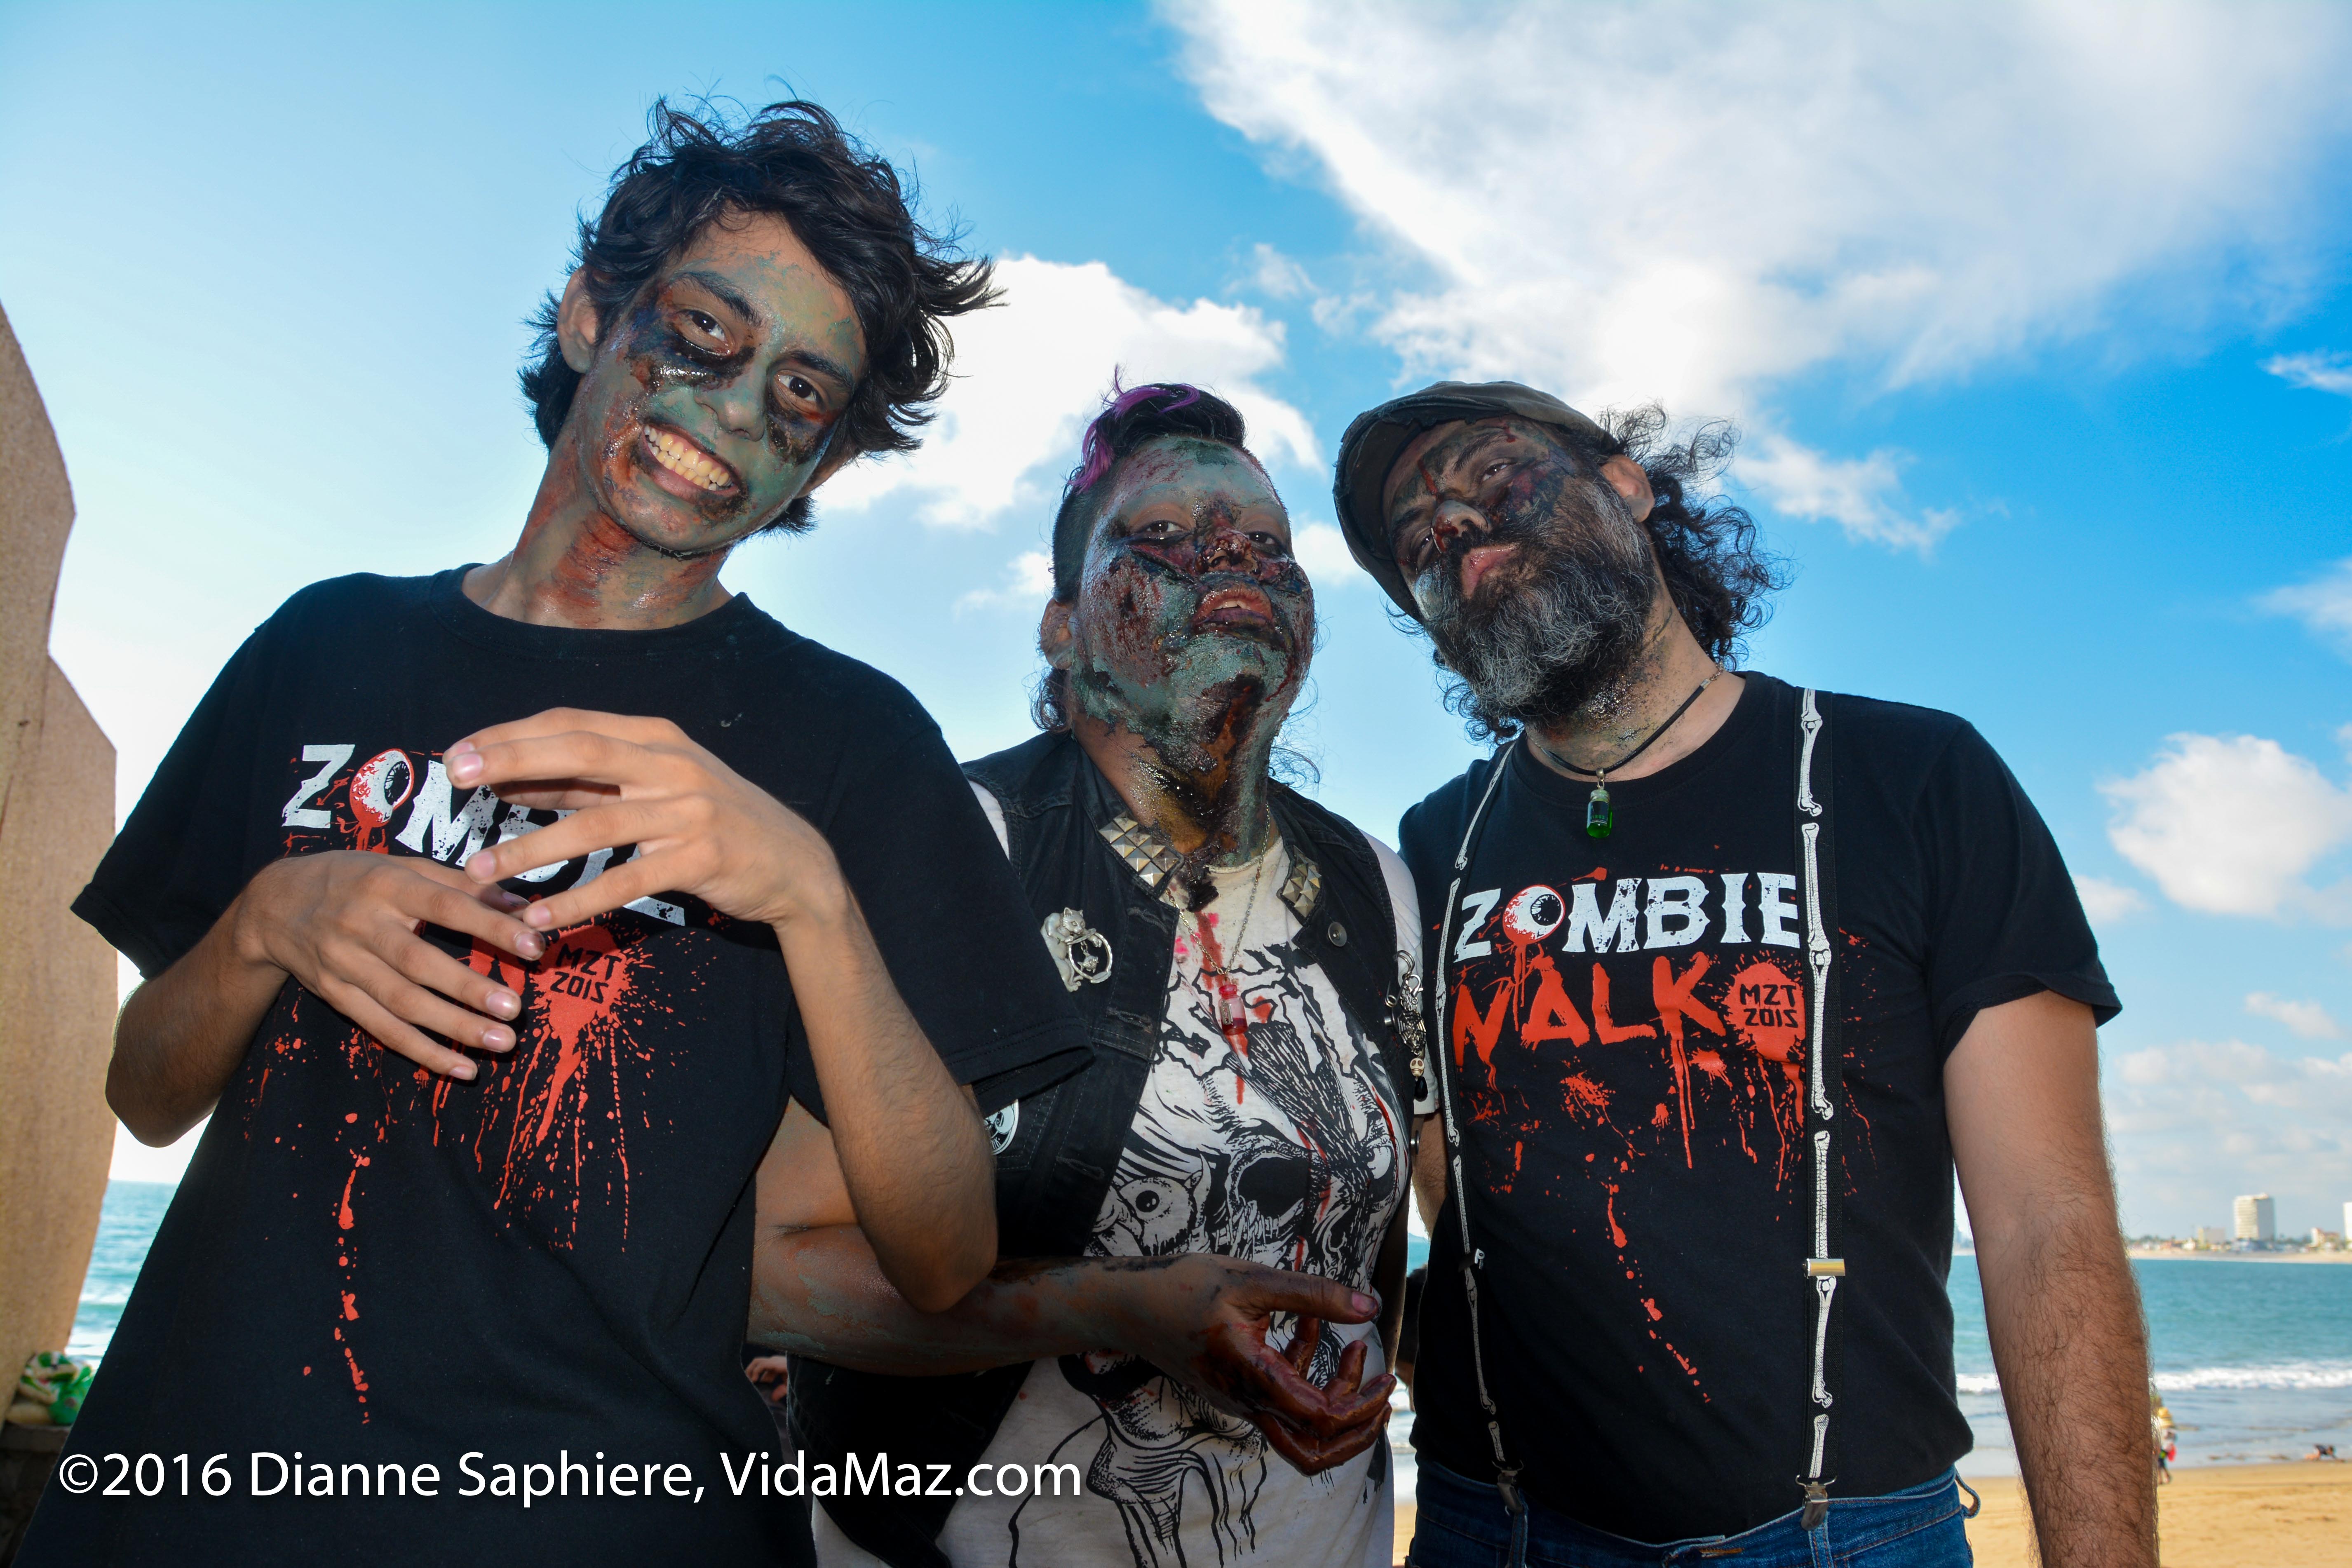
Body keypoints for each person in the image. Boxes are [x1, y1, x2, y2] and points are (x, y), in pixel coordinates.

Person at [23, 101, 1087, 1567]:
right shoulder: (325, 640)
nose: (735, 408)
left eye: (797, 393)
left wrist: (811, 899)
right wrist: (268, 921)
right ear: (592, 313)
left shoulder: (856, 741)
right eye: (703, 331)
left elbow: (947, 1254)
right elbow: (143, 1090)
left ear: (822, 467)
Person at [1331, 382, 2152, 1567]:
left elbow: (2045, 1221)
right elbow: (1452, 1188)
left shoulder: (1916, 779)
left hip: (1853, 1536)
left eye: (1494, 475)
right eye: (1418, 538)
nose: (1453, 527)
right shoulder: (1429, 850)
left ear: (1627, 485)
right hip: (1493, 1531)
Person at [754, 383, 1419, 1568]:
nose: (1232, 554)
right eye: (1160, 533)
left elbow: (1416, 1247)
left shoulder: (1379, 887)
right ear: (1062, 627)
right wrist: (1105, 1308)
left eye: (1267, 542)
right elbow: (772, 1268)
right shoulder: (947, 845)